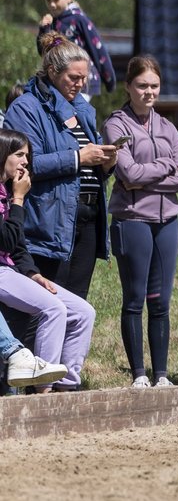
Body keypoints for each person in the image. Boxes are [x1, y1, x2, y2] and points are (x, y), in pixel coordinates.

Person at [103, 56, 178, 388]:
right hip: (132, 220)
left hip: (167, 220)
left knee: (161, 301)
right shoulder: (116, 124)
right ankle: (139, 375)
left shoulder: (167, 127)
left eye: (154, 85)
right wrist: (165, 166)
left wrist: (148, 176)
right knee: (135, 298)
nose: (148, 91)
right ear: (128, 87)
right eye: (142, 85)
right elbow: (127, 173)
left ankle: (162, 375)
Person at [4, 33, 116, 300]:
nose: (80, 84)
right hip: (50, 222)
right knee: (50, 305)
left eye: (84, 78)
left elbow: (90, 158)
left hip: (88, 219)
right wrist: (79, 158)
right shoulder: (26, 108)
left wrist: (106, 163)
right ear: (53, 71)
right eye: (73, 78)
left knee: (78, 305)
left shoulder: (83, 110)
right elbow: (26, 164)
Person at [0, 128, 94, 391]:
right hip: (1, 273)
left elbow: (18, 246)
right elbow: (5, 241)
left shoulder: (7, 191)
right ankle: (43, 390)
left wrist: (33, 274)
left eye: (27, 156)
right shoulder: (12, 195)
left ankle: (67, 386)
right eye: (19, 155)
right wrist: (19, 198)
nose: (25, 162)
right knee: (54, 309)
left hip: (13, 272)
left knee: (84, 312)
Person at [36, 0, 116, 97]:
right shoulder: (51, 22)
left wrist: (109, 78)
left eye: (56, 0)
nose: (52, 4)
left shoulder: (78, 19)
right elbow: (44, 52)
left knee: (75, 114)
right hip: (61, 82)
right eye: (48, 0)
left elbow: (97, 48)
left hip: (82, 81)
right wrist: (44, 30)